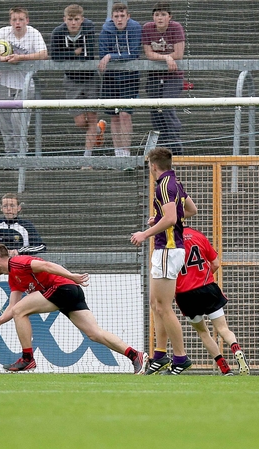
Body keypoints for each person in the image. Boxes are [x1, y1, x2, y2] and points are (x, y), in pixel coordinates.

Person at [0, 244, 145, 374]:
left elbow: (47, 265)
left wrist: (71, 276)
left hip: (62, 288)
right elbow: (12, 305)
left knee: (20, 311)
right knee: (94, 333)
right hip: (70, 291)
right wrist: (1, 320)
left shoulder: (18, 262)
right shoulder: (13, 277)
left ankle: (27, 359)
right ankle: (135, 355)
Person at [131, 147, 193, 374]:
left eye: (149, 165)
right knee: (156, 304)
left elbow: (172, 217)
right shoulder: (175, 182)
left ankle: (180, 358)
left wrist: (145, 233)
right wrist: (159, 219)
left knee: (164, 307)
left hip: (168, 249)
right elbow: (191, 210)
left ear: (153, 165)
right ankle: (160, 355)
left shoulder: (164, 186)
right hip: (166, 249)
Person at [173, 226, 249, 375]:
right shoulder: (198, 236)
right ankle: (236, 349)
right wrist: (204, 277)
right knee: (223, 329)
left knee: (203, 332)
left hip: (185, 294)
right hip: (207, 288)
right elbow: (215, 263)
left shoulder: (170, 240)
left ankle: (224, 368)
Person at [0, 7, 48, 155]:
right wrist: (0, 58)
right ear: (10, 21)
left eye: (21, 19)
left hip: (26, 84)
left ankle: (21, 152)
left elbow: (43, 54)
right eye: (14, 20)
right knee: (4, 120)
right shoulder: (4, 32)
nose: (18, 23)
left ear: (27, 20)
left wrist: (21, 58)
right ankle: (10, 153)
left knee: (18, 118)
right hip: (4, 82)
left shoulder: (34, 34)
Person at [50, 4, 106, 157]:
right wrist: (73, 52)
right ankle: (98, 130)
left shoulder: (88, 28)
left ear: (82, 19)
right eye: (70, 19)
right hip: (72, 79)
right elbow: (55, 56)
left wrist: (68, 54)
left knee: (92, 117)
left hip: (90, 78)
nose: (73, 23)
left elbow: (87, 55)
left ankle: (87, 159)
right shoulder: (58, 32)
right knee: (80, 122)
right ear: (64, 19)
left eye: (76, 19)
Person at [97, 2, 141, 157]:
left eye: (122, 16)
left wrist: (111, 56)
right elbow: (102, 53)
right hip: (111, 77)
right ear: (112, 17)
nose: (119, 19)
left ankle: (126, 154)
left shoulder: (135, 28)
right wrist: (108, 56)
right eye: (116, 16)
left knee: (125, 114)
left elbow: (133, 53)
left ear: (128, 16)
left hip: (130, 76)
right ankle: (118, 154)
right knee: (114, 116)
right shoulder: (105, 30)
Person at [142, 2, 186, 154]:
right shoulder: (147, 28)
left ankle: (175, 147)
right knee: (155, 111)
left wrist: (166, 57)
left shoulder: (176, 27)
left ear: (170, 17)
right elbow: (149, 53)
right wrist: (167, 58)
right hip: (154, 77)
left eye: (163, 14)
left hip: (173, 77)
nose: (159, 18)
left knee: (167, 106)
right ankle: (161, 149)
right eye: (156, 15)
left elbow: (179, 54)